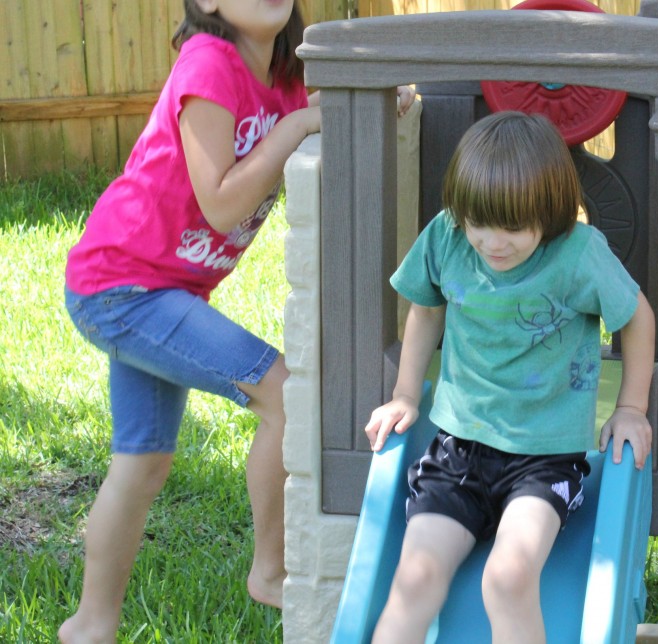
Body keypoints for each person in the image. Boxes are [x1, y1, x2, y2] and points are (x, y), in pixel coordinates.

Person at [60, 1, 413, 642]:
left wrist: (389, 98)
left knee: (140, 464)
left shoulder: (287, 72)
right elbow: (220, 205)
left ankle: (89, 627)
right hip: (123, 287)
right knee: (282, 392)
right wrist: (300, 124)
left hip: (163, 288)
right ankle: (269, 571)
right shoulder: (209, 64)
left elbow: (341, 108)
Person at [364, 111, 656, 643]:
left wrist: (631, 407)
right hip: (458, 450)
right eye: (479, 223)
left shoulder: (578, 256)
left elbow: (635, 316)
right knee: (415, 576)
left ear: (548, 212)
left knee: (508, 576)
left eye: (514, 228)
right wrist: (406, 394)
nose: (493, 241)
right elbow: (426, 309)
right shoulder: (447, 239)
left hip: (544, 462)